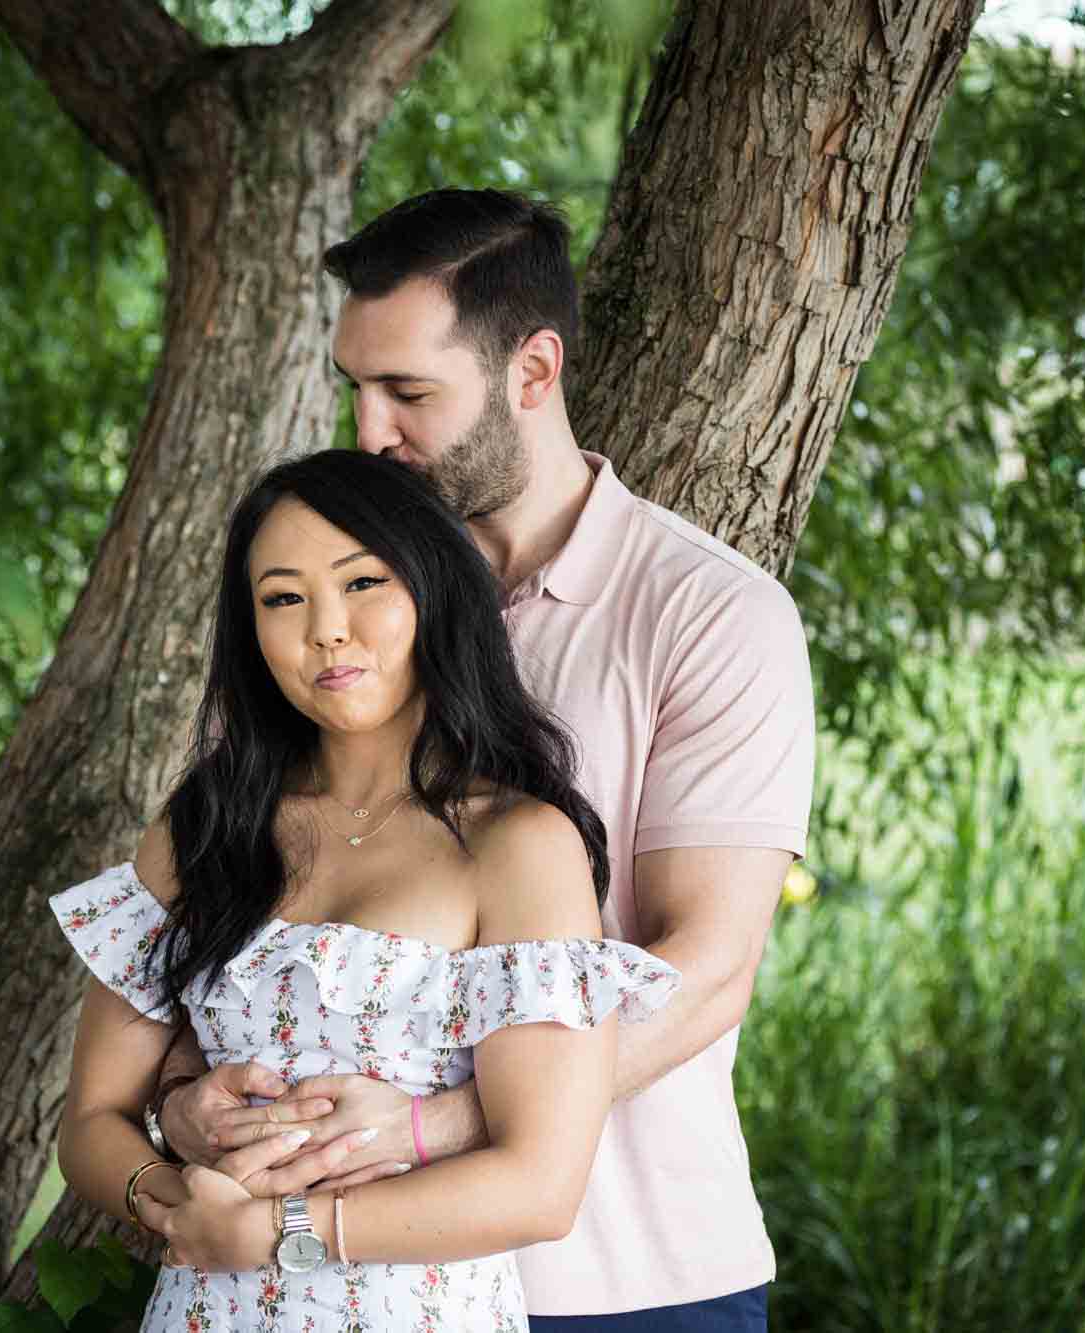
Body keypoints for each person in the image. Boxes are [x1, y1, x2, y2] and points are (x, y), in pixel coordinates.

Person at [150, 189, 815, 1331]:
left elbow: (706, 962)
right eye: (354, 389)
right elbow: (231, 902)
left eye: (407, 392)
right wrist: (181, 1108)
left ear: (532, 371)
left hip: (627, 1271)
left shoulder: (710, 614)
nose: (367, 432)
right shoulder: (326, 611)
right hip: (326, 1292)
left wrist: (434, 1123)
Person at [49, 448, 679, 1331]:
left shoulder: (517, 845)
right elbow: (91, 1119)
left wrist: (278, 1232)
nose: (326, 630)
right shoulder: (204, 828)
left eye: (363, 583)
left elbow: (542, 1184)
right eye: (283, 597)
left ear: (434, 590)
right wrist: (169, 1191)